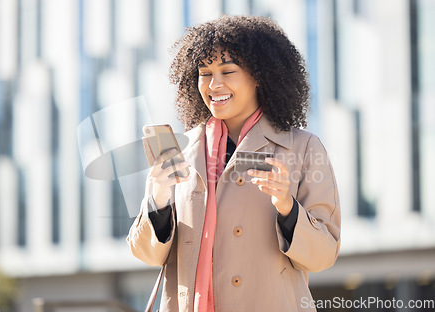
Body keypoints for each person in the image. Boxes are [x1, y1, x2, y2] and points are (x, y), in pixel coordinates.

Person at [127, 15, 341, 312]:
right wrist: (159, 201)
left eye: (228, 71)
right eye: (204, 73)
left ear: (258, 76)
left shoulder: (302, 148)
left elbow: (324, 254)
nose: (214, 85)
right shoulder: (182, 152)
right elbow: (147, 254)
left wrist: (287, 207)